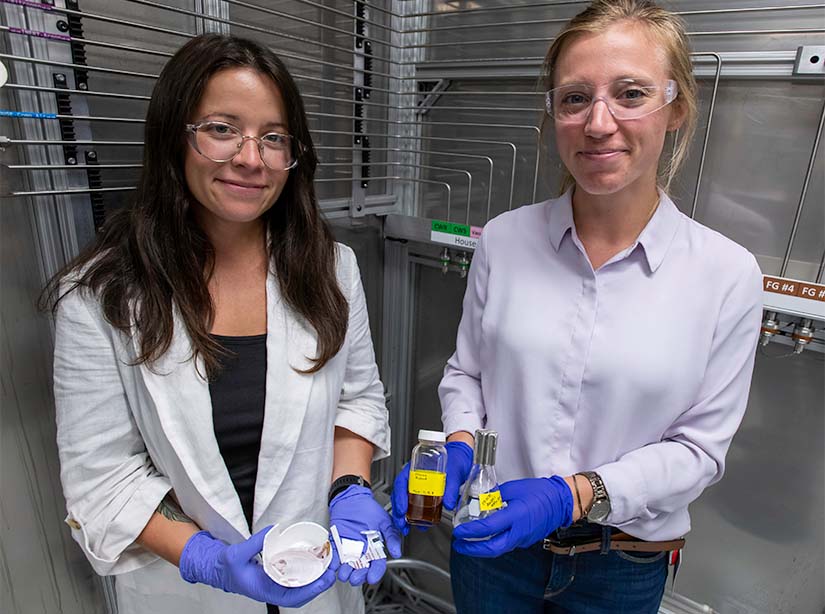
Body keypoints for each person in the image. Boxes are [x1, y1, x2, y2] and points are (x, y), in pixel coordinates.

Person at [391, 1, 763, 612]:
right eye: (573, 98)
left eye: (631, 93)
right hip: (495, 541)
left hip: (620, 561)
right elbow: (468, 373)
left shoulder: (725, 275)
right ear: (553, 115)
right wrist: (459, 442)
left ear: (676, 109)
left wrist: (574, 495)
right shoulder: (505, 241)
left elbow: (699, 451)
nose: (597, 122)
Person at [44, 34, 400, 614]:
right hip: (183, 591)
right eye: (221, 129)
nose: (250, 158)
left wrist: (352, 489)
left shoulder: (331, 269)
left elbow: (357, 400)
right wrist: (207, 560)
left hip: (314, 580)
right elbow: (102, 479)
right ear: (175, 138)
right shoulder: (101, 296)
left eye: (274, 137)